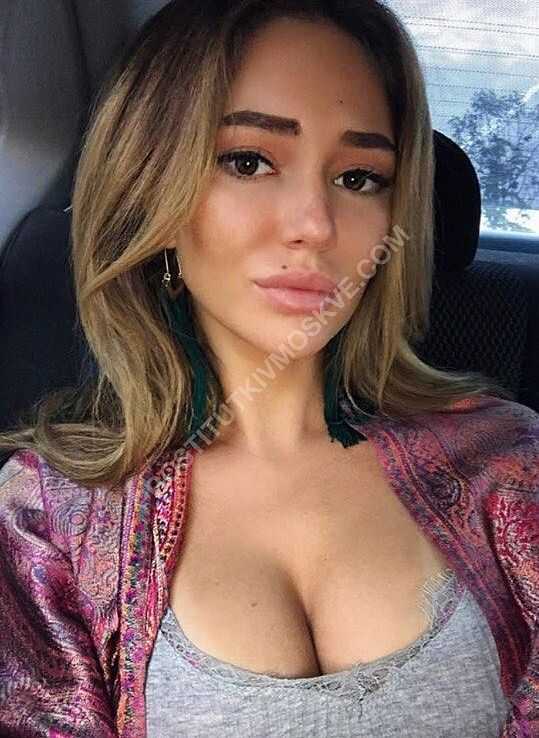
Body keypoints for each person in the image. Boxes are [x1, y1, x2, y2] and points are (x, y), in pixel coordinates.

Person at [0, 1, 537, 736]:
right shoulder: (48, 519)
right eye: (248, 162)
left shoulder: (509, 465)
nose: (314, 224)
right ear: (152, 187)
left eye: (359, 177)